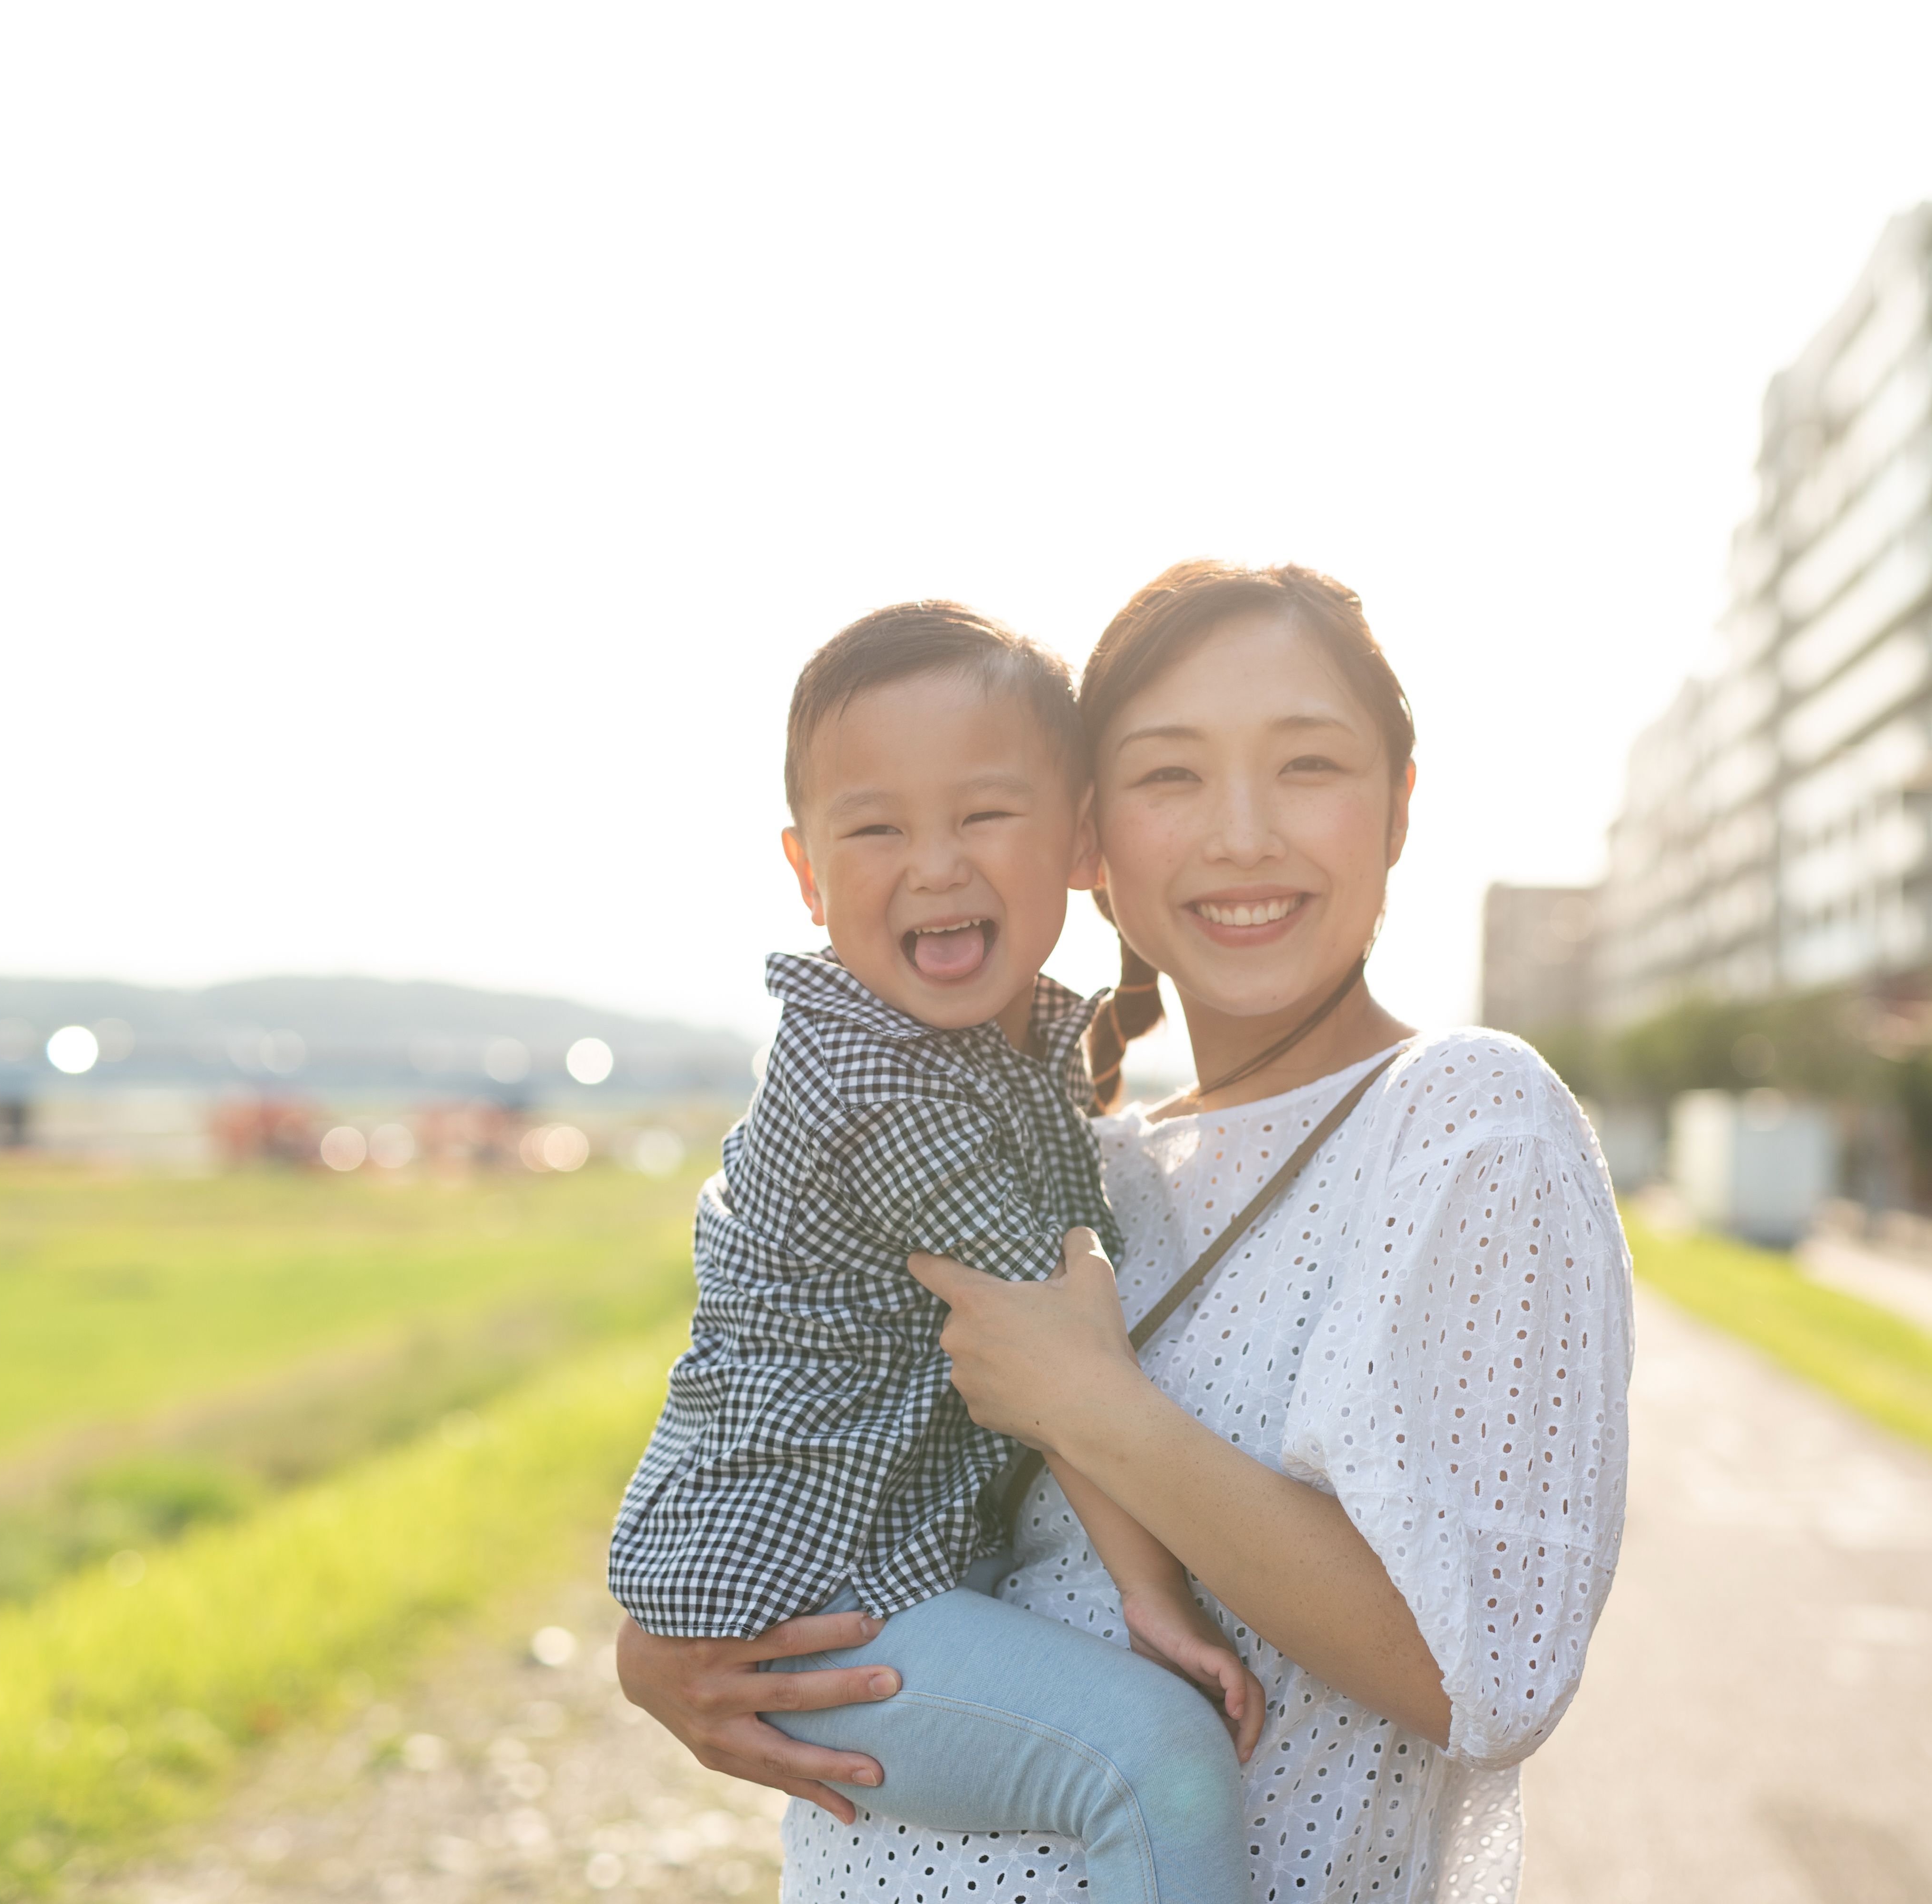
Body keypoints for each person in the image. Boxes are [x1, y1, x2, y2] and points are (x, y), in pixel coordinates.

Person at [617, 562, 1633, 1904]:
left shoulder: (1464, 1118)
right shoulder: (1091, 1155)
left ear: (1399, 805)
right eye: (1172, 776)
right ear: (1095, 842)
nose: (1242, 836)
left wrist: (1096, 1407)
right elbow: (771, 1362)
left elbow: (1487, 1676)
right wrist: (663, 1650)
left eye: (1308, 765)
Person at [606, 601, 1263, 1904]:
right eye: (877, 829)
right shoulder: (882, 1087)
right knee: (1159, 1758)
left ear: (1080, 839)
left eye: (984, 813)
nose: (936, 865)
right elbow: (1056, 1363)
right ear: (806, 871)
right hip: (819, 1600)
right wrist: (1157, 1601)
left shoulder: (996, 1054)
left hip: (860, 1566)